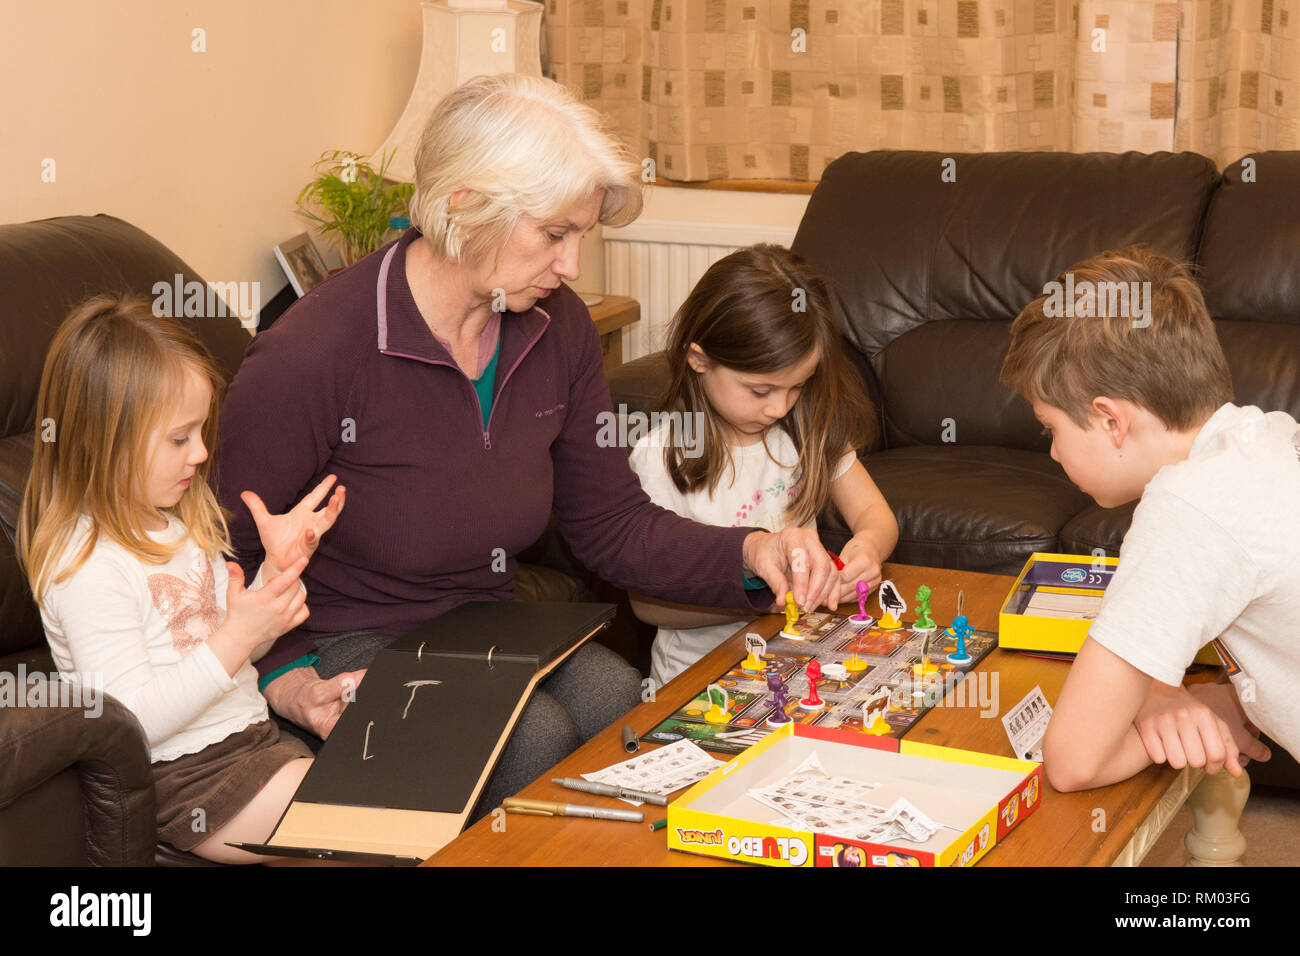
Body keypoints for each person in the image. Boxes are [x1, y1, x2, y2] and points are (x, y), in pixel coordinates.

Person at [216, 73, 838, 814]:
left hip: (485, 622)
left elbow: (612, 525)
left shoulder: (556, 327)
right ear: (463, 205)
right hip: (351, 638)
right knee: (533, 736)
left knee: (622, 702)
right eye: (554, 235)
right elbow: (224, 550)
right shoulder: (313, 353)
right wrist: (290, 682)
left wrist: (749, 552)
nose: (573, 266)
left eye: (580, 236)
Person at [17, 295, 345, 863]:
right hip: (186, 779)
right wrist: (238, 636)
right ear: (103, 439)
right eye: (179, 438)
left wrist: (276, 572)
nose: (200, 453)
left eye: (201, 432)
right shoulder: (87, 565)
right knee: (370, 813)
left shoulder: (177, 525)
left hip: (255, 744)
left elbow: (233, 648)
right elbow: (130, 722)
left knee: (400, 763)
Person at [999, 247, 1290, 791]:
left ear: (1110, 420)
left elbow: (1072, 762)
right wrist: (1168, 696)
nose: (1055, 454)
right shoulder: (1267, 434)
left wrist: (1160, 708)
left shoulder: (1187, 507)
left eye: (1050, 429)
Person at [626, 245, 898, 688]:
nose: (779, 407)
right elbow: (648, 605)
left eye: (798, 386)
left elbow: (875, 515)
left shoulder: (806, 427)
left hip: (798, 662)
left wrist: (867, 549)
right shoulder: (662, 456)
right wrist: (761, 596)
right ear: (699, 359)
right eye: (760, 390)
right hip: (698, 684)